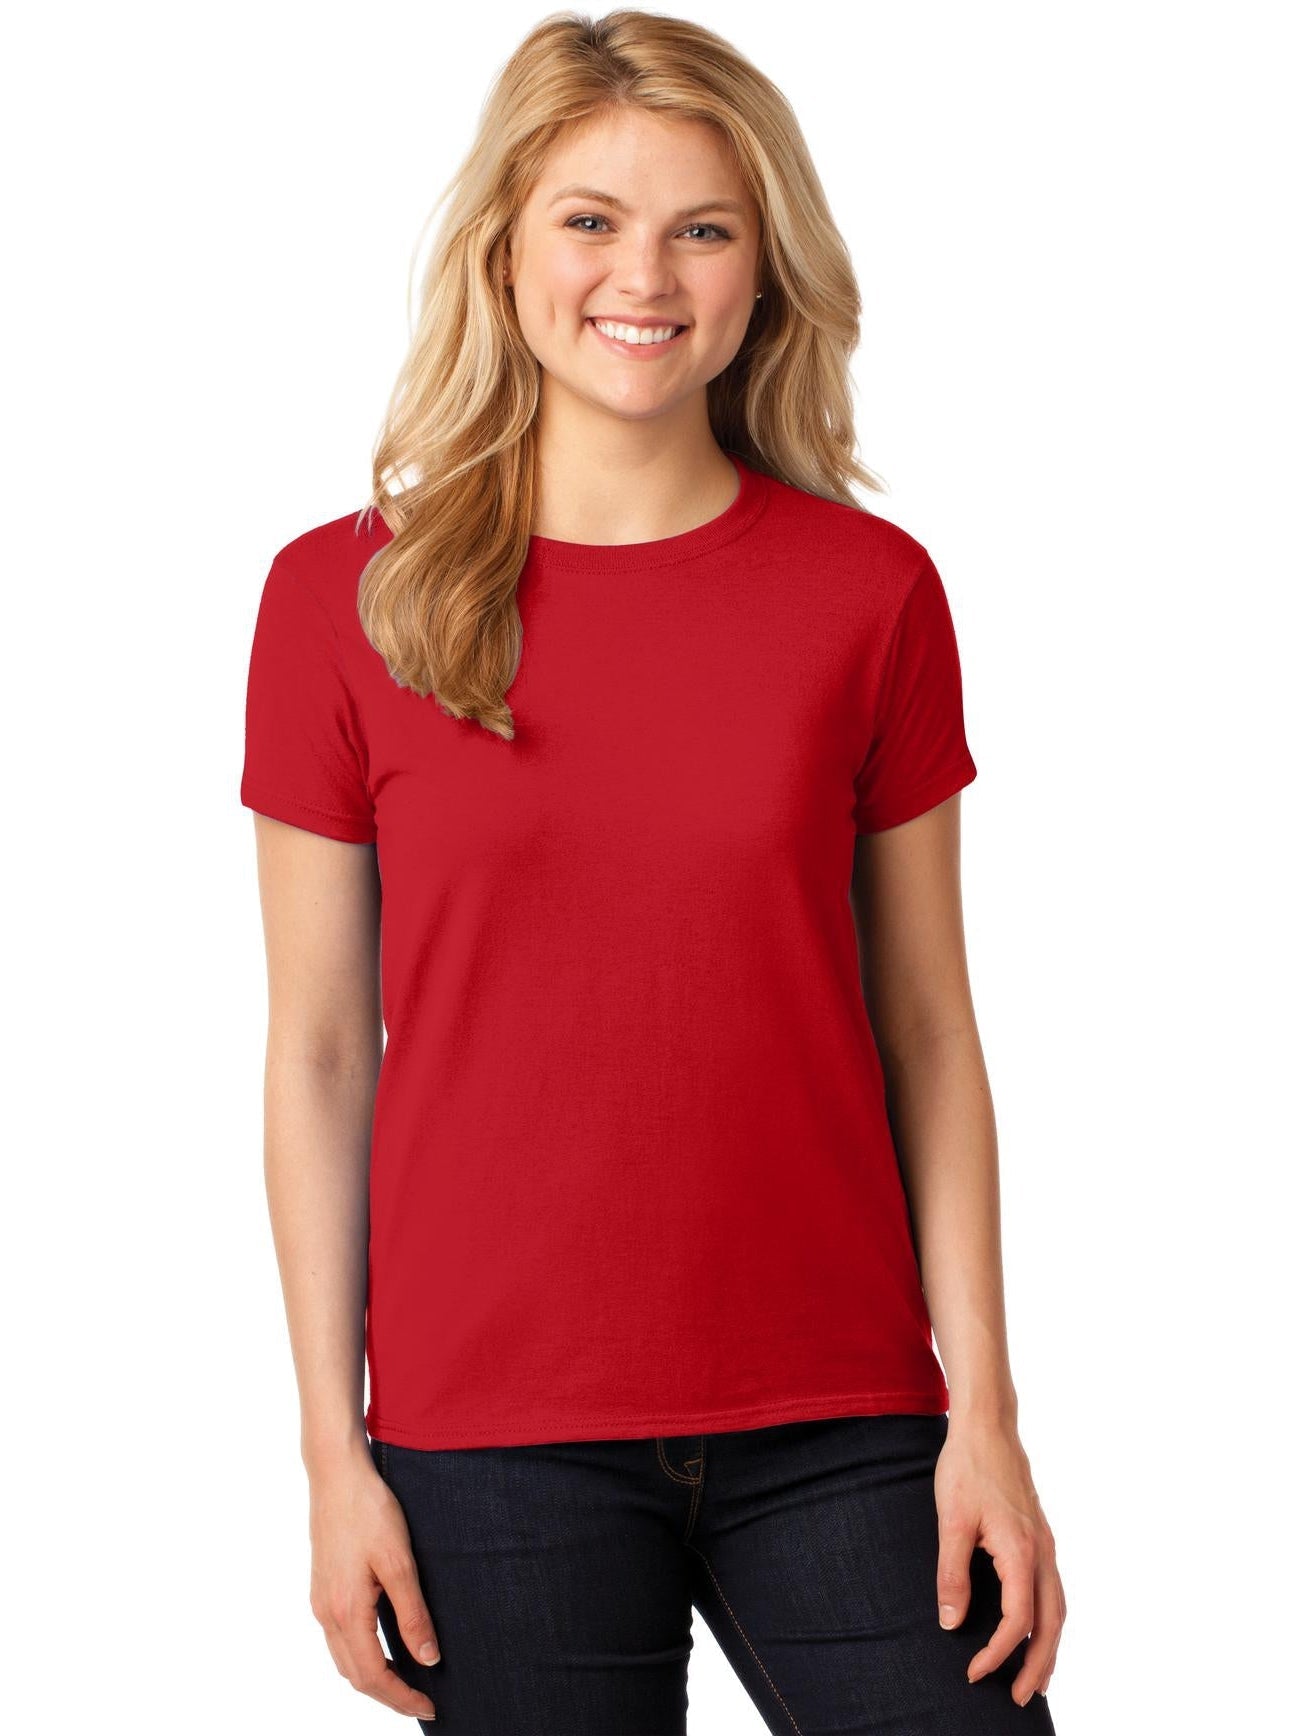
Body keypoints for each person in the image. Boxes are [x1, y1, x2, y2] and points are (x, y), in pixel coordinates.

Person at [240, 10, 1066, 1732]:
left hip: (844, 1412)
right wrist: (330, 1454)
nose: (645, 275)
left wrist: (984, 1414)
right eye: (590, 220)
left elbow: (928, 1028)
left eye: (703, 228)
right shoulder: (342, 601)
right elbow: (317, 1050)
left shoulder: (868, 595)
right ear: (503, 251)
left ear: (764, 270)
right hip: (490, 1438)